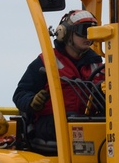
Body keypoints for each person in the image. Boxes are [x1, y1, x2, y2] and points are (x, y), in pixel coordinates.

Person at [13, 10, 105, 146]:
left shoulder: (96, 65)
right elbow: (20, 94)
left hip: (85, 122)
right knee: (71, 121)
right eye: (83, 30)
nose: (88, 36)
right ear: (65, 33)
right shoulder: (46, 62)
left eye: (92, 31)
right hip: (51, 123)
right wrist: (33, 102)